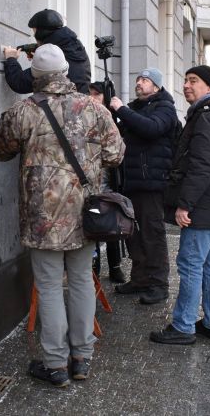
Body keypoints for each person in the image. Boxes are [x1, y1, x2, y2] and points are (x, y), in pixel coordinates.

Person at [0, 44, 125, 387]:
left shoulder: (23, 111)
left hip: (42, 216)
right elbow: (116, 154)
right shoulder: (93, 108)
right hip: (85, 212)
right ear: (65, 72)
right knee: (81, 280)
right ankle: (82, 359)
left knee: (48, 286)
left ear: (35, 76)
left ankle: (55, 365)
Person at [150, 65, 210, 345]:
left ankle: (183, 326)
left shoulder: (208, 117)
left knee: (190, 264)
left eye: (193, 81)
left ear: (209, 87)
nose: (186, 85)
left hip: (203, 205)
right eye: (185, 80)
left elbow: (202, 166)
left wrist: (185, 205)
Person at [109, 67, 177, 305]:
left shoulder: (165, 108)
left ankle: (159, 284)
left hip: (151, 182)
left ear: (156, 87)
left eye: (145, 80)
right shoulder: (135, 108)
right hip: (131, 181)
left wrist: (122, 110)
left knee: (152, 233)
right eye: (138, 79)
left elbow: (151, 128)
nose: (139, 83)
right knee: (133, 234)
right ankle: (139, 279)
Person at [87, 81, 126, 283]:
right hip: (88, 178)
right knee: (91, 220)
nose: (92, 97)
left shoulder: (112, 118)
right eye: (89, 93)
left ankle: (115, 266)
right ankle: (94, 265)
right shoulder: (83, 116)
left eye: (97, 94)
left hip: (108, 177)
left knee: (111, 222)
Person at [2, 9, 91, 94]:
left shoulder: (56, 57)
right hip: (81, 101)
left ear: (41, 33)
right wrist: (40, 53)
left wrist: (11, 59)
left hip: (66, 104)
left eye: (34, 33)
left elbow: (19, 83)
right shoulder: (74, 46)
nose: (34, 36)